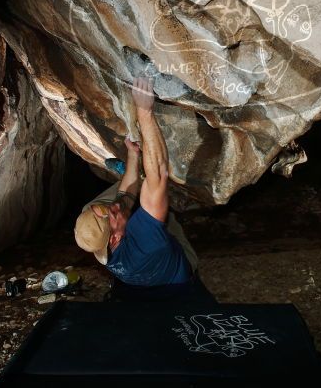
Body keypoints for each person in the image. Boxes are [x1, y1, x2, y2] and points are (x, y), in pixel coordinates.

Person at [74, 76, 215, 303]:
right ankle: (149, 192)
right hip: (178, 277)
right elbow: (159, 174)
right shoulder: (144, 240)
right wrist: (144, 112)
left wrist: (133, 154)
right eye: (111, 214)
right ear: (115, 239)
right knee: (163, 212)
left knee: (121, 203)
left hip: (145, 262)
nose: (114, 208)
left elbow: (123, 199)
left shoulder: (103, 248)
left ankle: (141, 181)